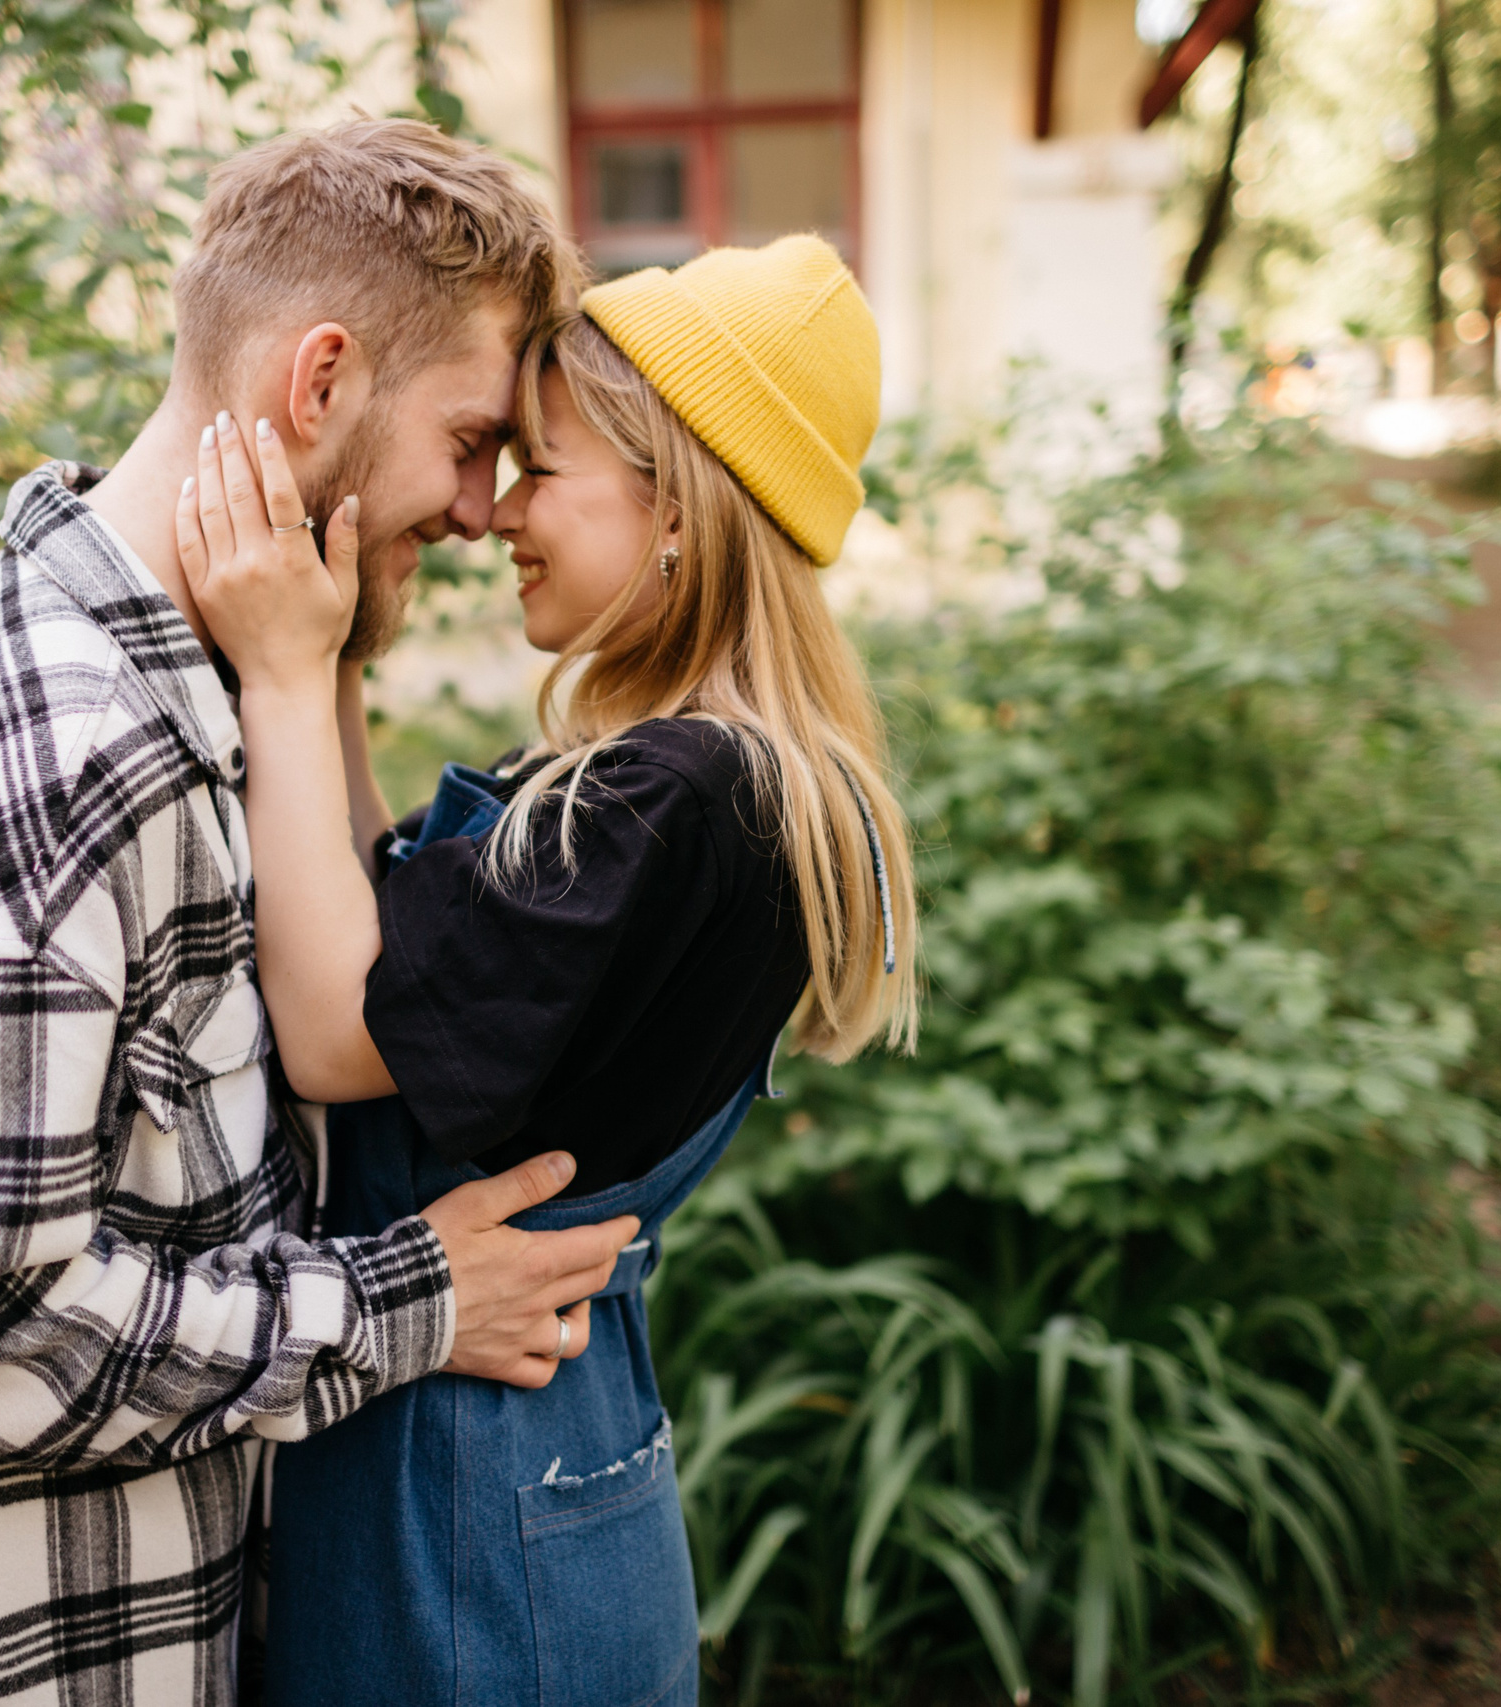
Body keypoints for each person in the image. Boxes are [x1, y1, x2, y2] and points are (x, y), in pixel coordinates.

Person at [0, 119, 646, 1707]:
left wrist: (319, 670)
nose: (482, 509)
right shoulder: (71, 756)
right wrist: (407, 1306)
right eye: (471, 437)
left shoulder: (190, 691)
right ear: (321, 382)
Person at [177, 233, 919, 1707]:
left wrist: (277, 672)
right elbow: (379, 937)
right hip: (531, 1456)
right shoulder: (713, 781)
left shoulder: (672, 802)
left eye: (545, 469)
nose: (501, 510)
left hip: (470, 1495)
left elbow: (338, 1031)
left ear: (679, 511)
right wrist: (338, 646)